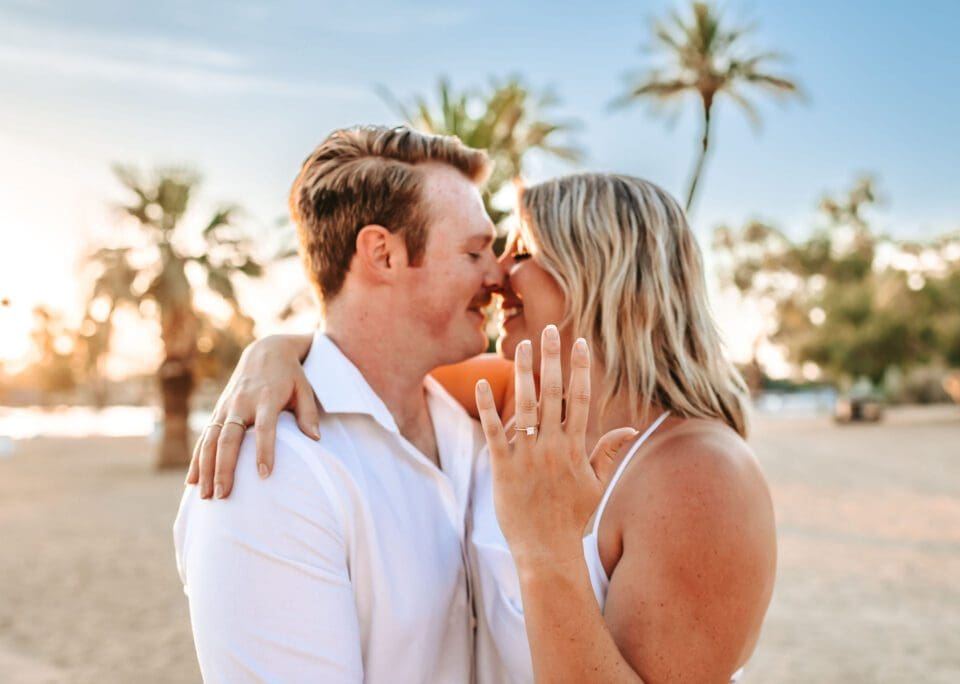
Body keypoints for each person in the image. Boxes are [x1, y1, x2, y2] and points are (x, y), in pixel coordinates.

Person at [193, 173, 777, 682]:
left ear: (600, 273)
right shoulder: (510, 398)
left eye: (523, 251)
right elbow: (372, 365)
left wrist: (546, 548)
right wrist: (272, 353)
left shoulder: (700, 475)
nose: (497, 275)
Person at [173, 125, 511, 682]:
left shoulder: (476, 425)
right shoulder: (270, 472)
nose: (497, 275)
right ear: (383, 254)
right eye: (474, 251)